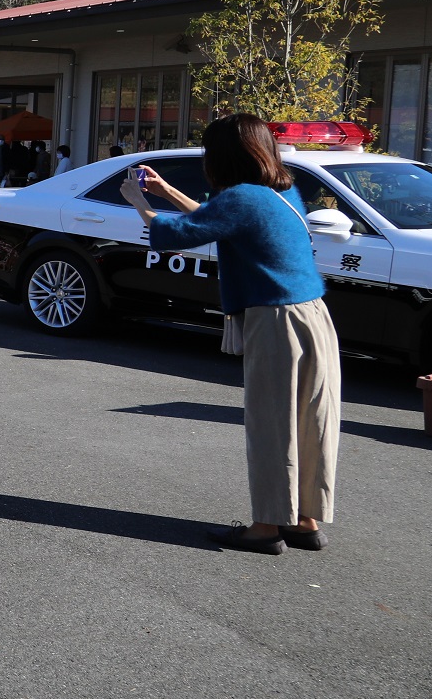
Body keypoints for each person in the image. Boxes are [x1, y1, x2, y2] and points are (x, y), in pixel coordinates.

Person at [120, 114, 338, 555]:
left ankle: (265, 527)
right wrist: (164, 192)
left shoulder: (242, 198)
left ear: (221, 157)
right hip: (313, 315)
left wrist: (137, 202)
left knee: (271, 423)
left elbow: (178, 233)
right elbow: (212, 218)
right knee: (313, 419)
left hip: (277, 321)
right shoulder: (280, 192)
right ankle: (304, 520)